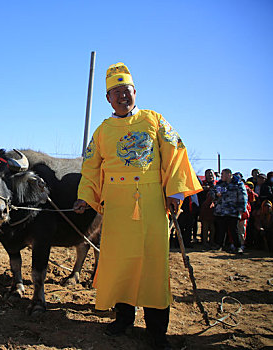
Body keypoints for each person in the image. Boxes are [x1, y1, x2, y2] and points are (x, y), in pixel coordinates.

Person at [73, 62, 202, 349]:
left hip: (152, 203)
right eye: (115, 92)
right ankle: (123, 319)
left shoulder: (154, 119)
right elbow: (91, 167)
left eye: (126, 90)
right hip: (117, 208)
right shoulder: (102, 131)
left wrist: (175, 192)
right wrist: (86, 196)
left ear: (135, 92)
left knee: (153, 266)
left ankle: (157, 330)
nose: (122, 96)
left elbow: (176, 152)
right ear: (108, 98)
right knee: (121, 265)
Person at [212, 168, 248, 253]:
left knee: (234, 230)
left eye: (223, 174)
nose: (221, 176)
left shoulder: (238, 184)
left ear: (229, 174)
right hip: (221, 211)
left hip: (233, 211)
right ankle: (219, 245)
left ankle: (238, 247)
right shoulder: (220, 184)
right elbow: (214, 192)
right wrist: (216, 195)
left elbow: (243, 197)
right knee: (221, 229)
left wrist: (241, 209)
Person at [199, 169, 217, 247]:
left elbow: (221, 193)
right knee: (205, 225)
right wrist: (204, 189)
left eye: (211, 174)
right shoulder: (202, 184)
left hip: (215, 208)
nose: (210, 175)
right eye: (208, 174)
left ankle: (212, 241)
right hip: (204, 207)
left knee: (213, 226)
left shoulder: (217, 184)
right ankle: (204, 241)